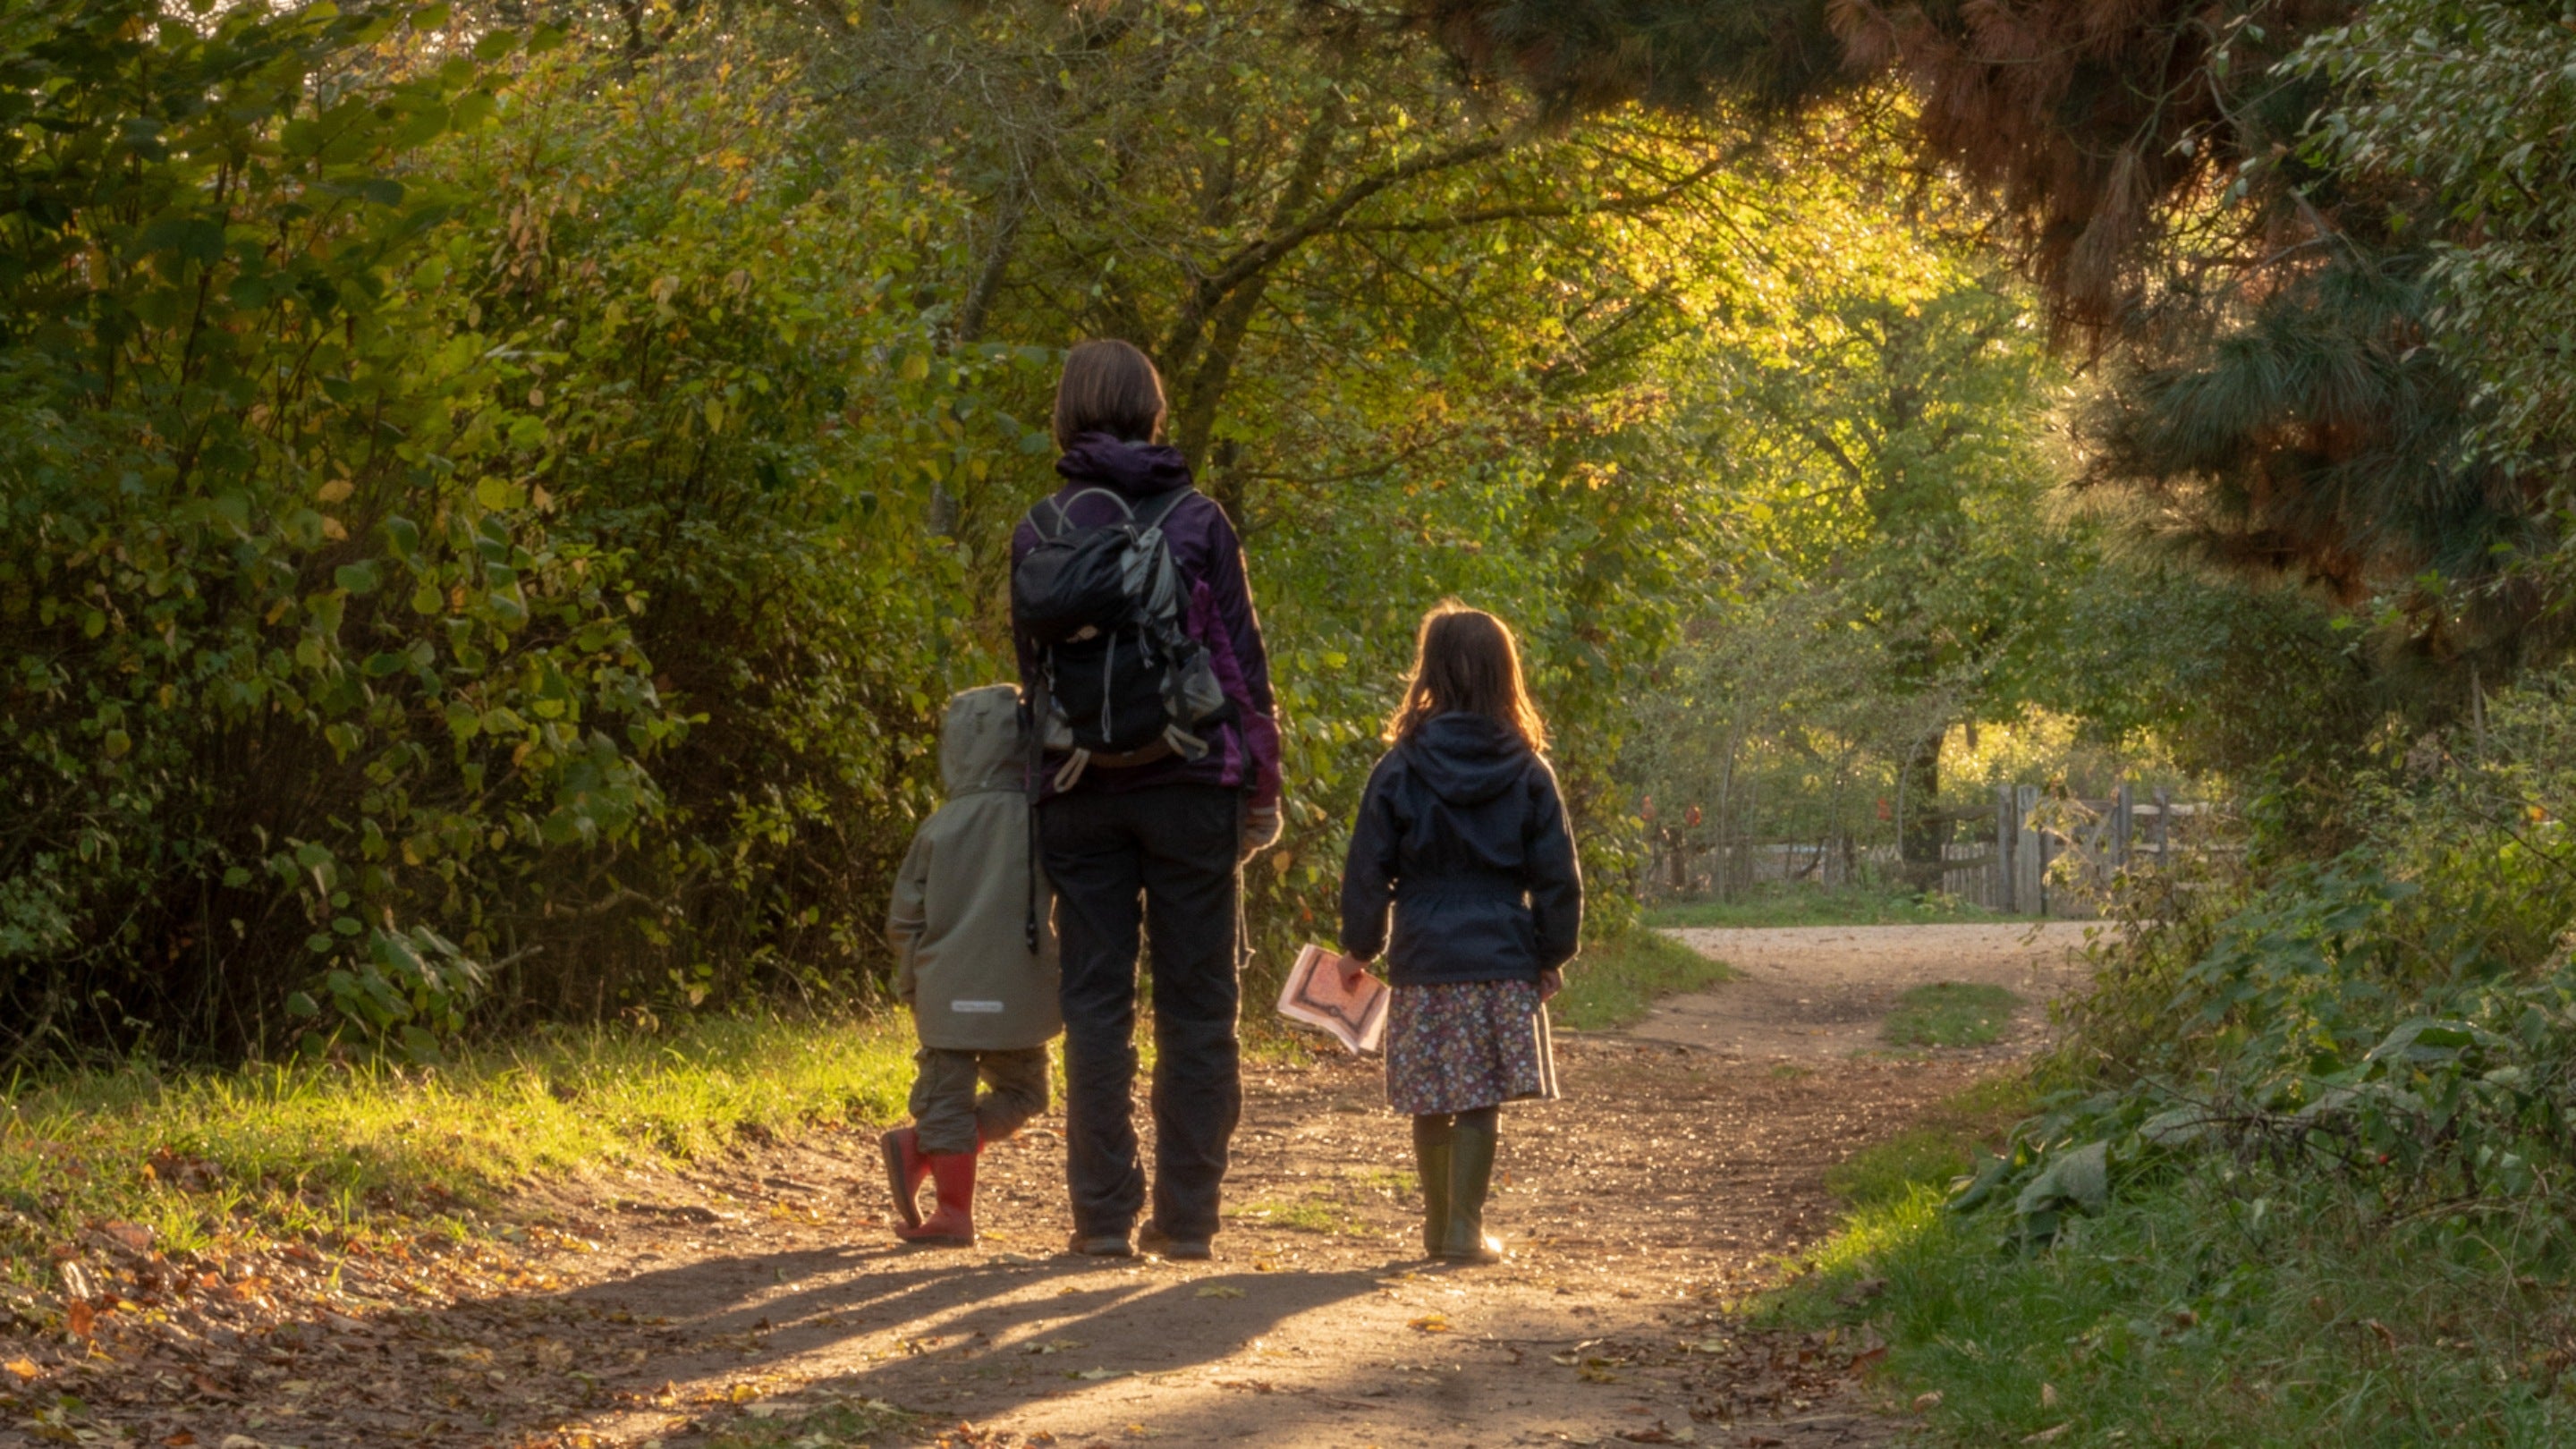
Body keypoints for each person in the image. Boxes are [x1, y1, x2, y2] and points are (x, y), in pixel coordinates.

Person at [1011, 339, 1282, 1261]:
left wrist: (1038, 789)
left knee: (1095, 1008)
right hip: (1193, 785)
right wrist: (1263, 789)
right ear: (1154, 409)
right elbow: (1242, 670)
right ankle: (1188, 1220)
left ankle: (1099, 1220)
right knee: (1199, 1009)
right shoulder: (1198, 522)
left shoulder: (1040, 527)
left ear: (1067, 412)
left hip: (1077, 787)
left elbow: (1030, 679)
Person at [1338, 603, 1581, 1264]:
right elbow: (1557, 875)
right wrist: (1551, 952)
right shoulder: (1529, 771)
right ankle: (1464, 1231)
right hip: (1501, 951)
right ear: (1507, 675)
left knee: (1432, 1092)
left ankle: (1436, 1224)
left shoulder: (1399, 769)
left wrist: (1359, 948)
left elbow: (1368, 867)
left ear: (1431, 672)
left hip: (1423, 952)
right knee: (1481, 1094)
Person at [881, 684, 1063, 1248]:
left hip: (945, 987)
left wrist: (909, 979)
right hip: (1025, 989)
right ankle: (927, 1153)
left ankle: (945, 1189)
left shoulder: (938, 826)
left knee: (944, 1096)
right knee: (1028, 1092)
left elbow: (904, 917)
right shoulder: (1047, 822)